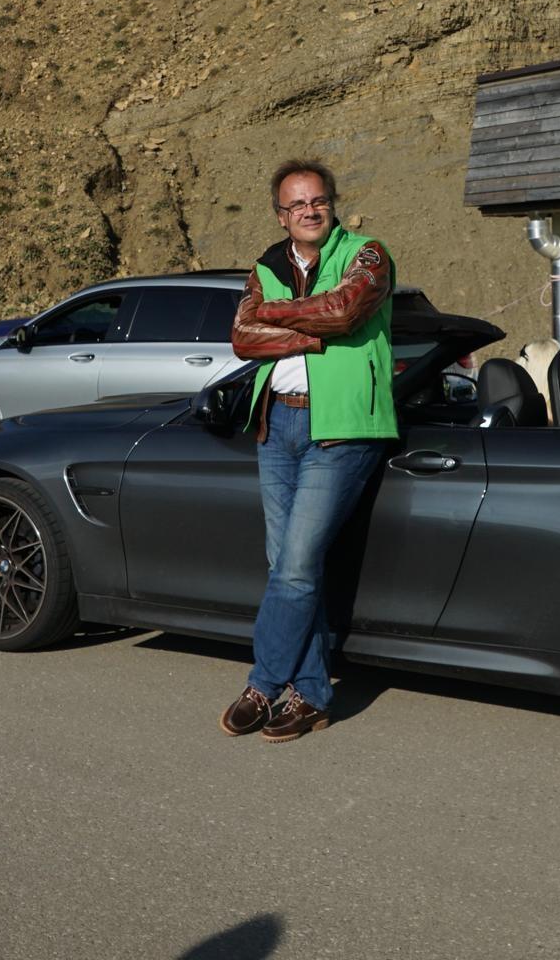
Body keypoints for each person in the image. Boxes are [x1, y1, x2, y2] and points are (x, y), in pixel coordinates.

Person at [219, 161, 397, 742]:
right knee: (289, 566)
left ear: (332, 203)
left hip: (341, 427)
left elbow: (344, 310)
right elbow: (243, 337)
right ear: (281, 215)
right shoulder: (266, 267)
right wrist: (311, 328)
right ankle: (311, 694)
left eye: (317, 200)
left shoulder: (367, 254)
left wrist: (276, 317)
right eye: (296, 205)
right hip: (277, 425)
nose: (309, 211)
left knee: (295, 565)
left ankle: (264, 684)